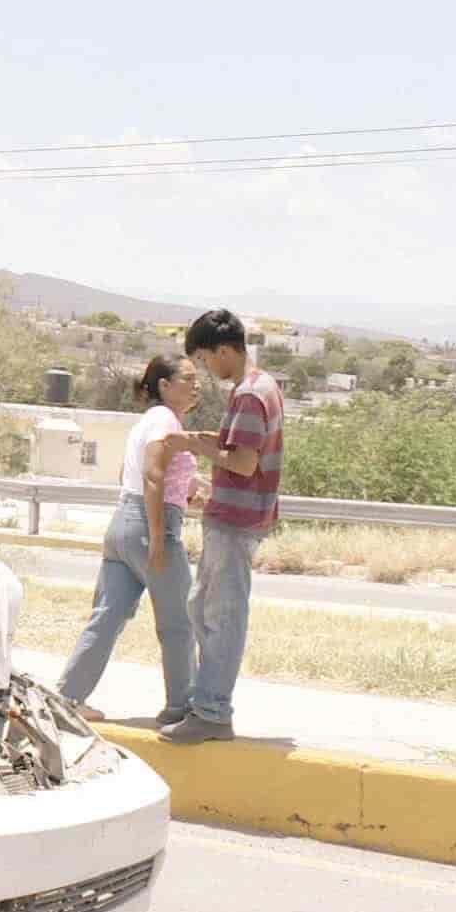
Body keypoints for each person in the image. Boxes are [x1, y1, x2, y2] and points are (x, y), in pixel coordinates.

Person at [55, 355, 202, 724]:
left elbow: (134, 475)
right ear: (164, 385)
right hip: (151, 527)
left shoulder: (147, 422)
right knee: (179, 622)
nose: (196, 385)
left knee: (107, 617)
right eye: (187, 378)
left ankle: (68, 699)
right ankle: (181, 708)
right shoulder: (165, 421)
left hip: (122, 522)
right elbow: (153, 477)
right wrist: (157, 538)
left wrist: (186, 493)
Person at [170, 307, 286, 741]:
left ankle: (213, 711)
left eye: (204, 359)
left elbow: (241, 461)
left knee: (222, 614)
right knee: (202, 607)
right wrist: (199, 441)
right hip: (236, 515)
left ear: (224, 350)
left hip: (238, 518)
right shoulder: (260, 386)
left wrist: (199, 450)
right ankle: (206, 700)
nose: (205, 369)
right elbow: (236, 448)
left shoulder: (250, 395)